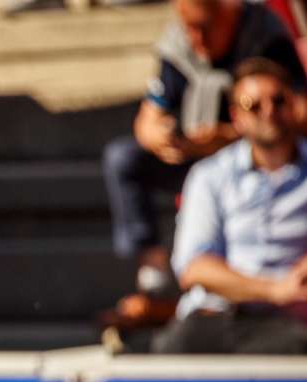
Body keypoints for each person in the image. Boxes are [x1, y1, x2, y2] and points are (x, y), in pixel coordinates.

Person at [101, 0, 306, 330]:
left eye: (204, 27)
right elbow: (148, 115)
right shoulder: (178, 44)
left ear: (229, 13)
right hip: (198, 162)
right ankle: (154, 274)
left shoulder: (267, 38)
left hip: (262, 159)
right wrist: (160, 136)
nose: (196, 38)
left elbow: (296, 110)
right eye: (189, 27)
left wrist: (231, 135)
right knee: (123, 158)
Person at [153, 57, 307, 353]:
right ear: (236, 117)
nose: (269, 112)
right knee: (172, 350)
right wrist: (274, 290)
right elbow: (195, 268)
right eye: (254, 105)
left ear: (294, 105)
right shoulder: (210, 176)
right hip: (216, 316)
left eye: (278, 101)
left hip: (289, 322)